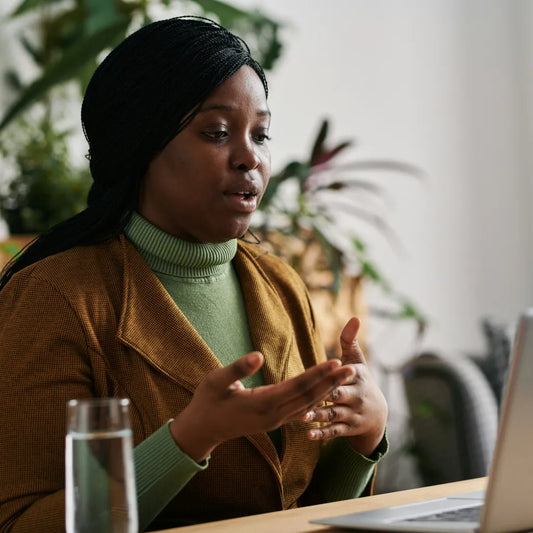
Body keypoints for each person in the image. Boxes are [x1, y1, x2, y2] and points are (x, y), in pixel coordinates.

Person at [0, 16, 388, 532]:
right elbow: (25, 523)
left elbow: (297, 508)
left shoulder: (280, 284)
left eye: (261, 134)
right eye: (217, 132)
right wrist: (187, 440)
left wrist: (366, 434)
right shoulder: (56, 297)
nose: (251, 156)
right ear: (141, 146)